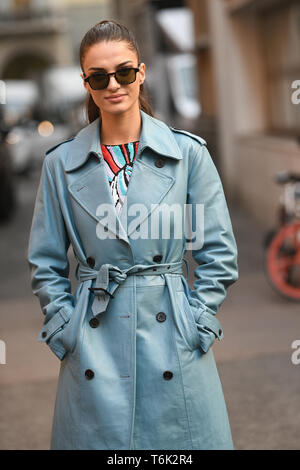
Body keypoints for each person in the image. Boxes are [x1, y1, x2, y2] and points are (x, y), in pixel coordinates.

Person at [27, 19, 239, 450]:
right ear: (86, 83)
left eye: (124, 72)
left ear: (141, 73)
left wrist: (198, 319)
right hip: (92, 336)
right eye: (99, 77)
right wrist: (64, 325)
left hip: (173, 333)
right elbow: (45, 261)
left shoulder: (187, 154)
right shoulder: (61, 164)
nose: (113, 85)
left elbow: (218, 251)